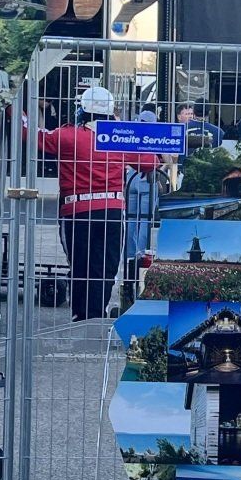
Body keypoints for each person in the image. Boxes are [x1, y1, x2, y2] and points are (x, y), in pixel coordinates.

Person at [38, 85, 162, 321]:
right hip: (112, 211)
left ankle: (80, 317)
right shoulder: (118, 137)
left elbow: (32, 134)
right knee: (105, 268)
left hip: (76, 210)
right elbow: (150, 162)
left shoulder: (67, 136)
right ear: (111, 112)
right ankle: (96, 317)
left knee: (79, 267)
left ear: (82, 111)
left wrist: (11, 105)